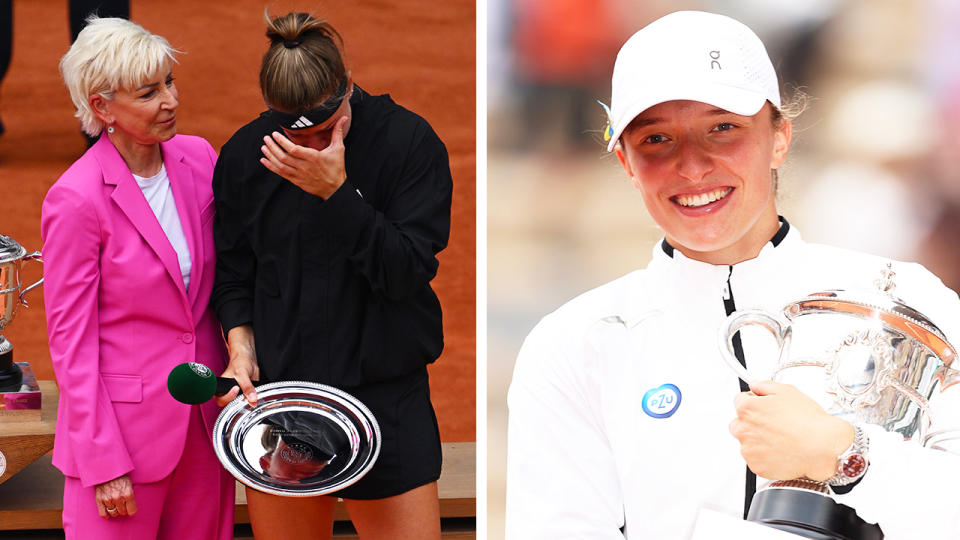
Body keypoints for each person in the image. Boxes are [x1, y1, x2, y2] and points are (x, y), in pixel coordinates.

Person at [505, 10, 960, 540]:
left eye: (723, 129)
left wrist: (846, 455)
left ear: (780, 138)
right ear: (626, 163)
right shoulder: (576, 342)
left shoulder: (906, 297)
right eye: (656, 140)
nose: (693, 167)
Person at [211, 11, 452, 540]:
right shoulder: (244, 158)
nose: (313, 149)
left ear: (346, 86)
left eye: (325, 130)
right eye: (295, 133)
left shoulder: (408, 143)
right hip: (283, 404)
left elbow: (407, 271)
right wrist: (241, 345)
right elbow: (233, 274)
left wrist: (336, 196)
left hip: (385, 401)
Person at [41, 16, 233, 539]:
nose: (169, 100)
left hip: (204, 426)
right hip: (121, 444)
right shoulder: (76, 198)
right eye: (148, 92)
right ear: (101, 106)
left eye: (169, 82)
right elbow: (71, 343)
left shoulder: (200, 157)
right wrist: (103, 462)